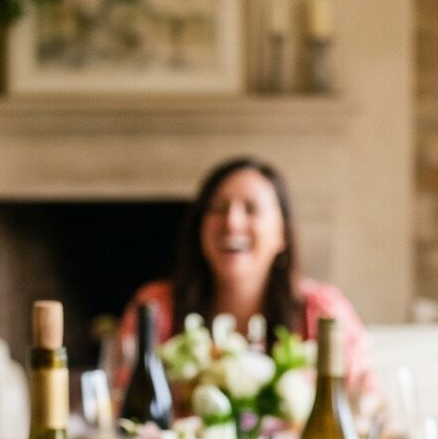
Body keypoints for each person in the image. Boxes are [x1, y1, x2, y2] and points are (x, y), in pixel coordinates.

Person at [119, 156, 379, 403]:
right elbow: (118, 403)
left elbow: (368, 406)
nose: (232, 222)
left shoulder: (322, 311)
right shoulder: (155, 306)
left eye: (251, 209)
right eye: (217, 208)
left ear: (282, 235)